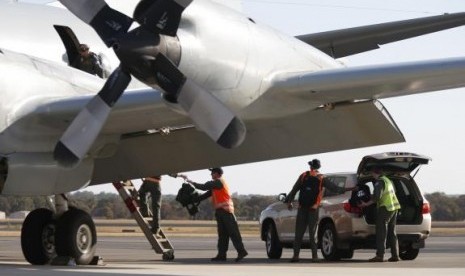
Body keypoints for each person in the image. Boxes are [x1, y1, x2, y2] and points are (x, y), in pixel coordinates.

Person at [285, 159, 355, 263]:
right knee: (313, 234)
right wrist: (352, 188)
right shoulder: (322, 178)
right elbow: (336, 189)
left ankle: (295, 256)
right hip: (313, 208)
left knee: (299, 233)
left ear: (310, 167)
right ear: (319, 167)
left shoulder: (304, 175)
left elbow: (294, 189)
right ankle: (314, 256)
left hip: (302, 207)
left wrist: (289, 201)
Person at [181, 168, 248, 262]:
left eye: (212, 173)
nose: (211, 174)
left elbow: (203, 186)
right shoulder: (215, 186)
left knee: (233, 233)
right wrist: (192, 200)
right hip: (220, 212)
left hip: (226, 211)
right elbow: (204, 195)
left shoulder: (218, 182)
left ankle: (241, 251)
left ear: (217, 174)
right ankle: (221, 255)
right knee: (222, 235)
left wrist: (189, 181)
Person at [359, 168, 401, 262]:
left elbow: (377, 197)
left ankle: (380, 256)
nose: (372, 175)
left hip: (385, 208)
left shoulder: (379, 182)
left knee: (381, 232)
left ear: (374, 173)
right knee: (392, 232)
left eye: (372, 173)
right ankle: (395, 255)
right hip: (394, 207)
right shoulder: (387, 180)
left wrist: (366, 204)